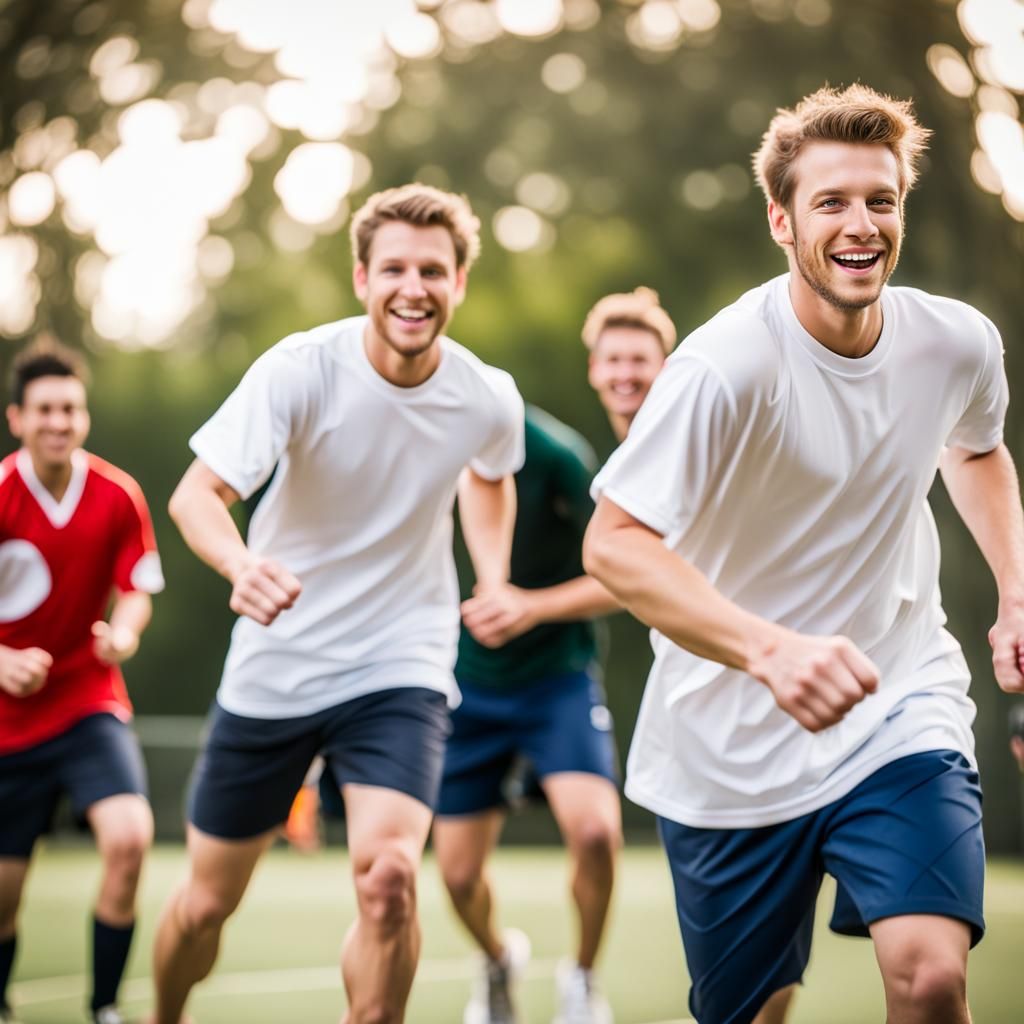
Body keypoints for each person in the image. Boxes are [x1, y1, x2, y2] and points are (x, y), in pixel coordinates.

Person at [584, 84, 1024, 1024]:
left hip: (897, 704)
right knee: (756, 1010)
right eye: (831, 202)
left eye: (880, 200)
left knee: (932, 978)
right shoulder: (724, 367)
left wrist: (1016, 592)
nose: (860, 224)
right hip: (727, 750)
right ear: (782, 222)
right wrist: (770, 651)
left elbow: (976, 448)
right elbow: (613, 546)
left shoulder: (956, 344)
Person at [148, 183, 524, 1024]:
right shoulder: (301, 369)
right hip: (278, 663)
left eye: (433, 270)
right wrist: (241, 565)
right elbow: (196, 495)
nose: (413, 288)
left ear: (459, 282)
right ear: (362, 278)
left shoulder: (486, 395)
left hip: (400, 663)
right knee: (206, 905)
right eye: (394, 269)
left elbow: (491, 476)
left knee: (389, 881)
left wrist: (493, 575)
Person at [432, 287, 675, 1024]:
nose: (625, 372)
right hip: (464, 683)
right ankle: (497, 961)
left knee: (597, 833)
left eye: (639, 359)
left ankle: (582, 978)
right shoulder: (418, 444)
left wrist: (528, 606)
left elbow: (626, 575)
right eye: (614, 359)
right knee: (456, 874)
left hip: (556, 680)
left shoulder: (562, 457)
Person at [0, 339, 164, 1024]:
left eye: (70, 408)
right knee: (4, 900)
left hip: (87, 702)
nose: (58, 422)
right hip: (7, 727)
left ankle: (105, 1009)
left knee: (130, 838)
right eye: (44, 409)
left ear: (85, 417)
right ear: (17, 418)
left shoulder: (118, 494)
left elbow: (138, 588)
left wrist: (123, 633)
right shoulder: (1, 493)